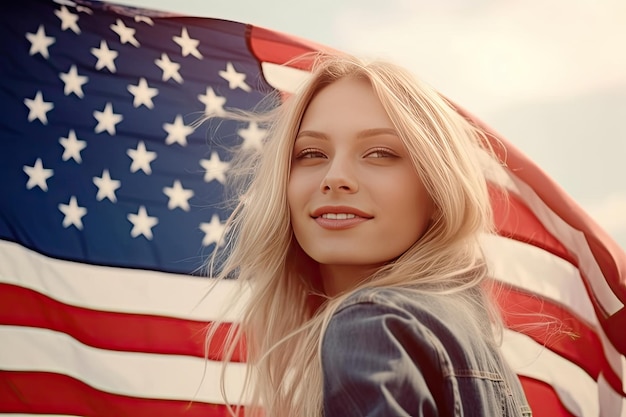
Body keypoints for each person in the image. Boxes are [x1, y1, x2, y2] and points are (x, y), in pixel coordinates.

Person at [207, 53, 533, 417]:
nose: (335, 177)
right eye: (312, 153)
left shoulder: (373, 324)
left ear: (437, 190)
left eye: (380, 153)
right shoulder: (489, 363)